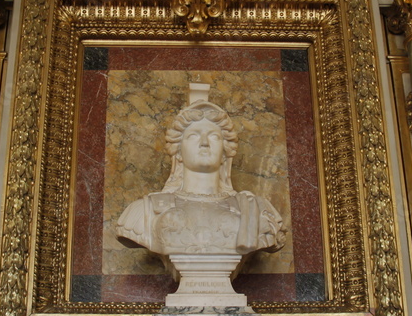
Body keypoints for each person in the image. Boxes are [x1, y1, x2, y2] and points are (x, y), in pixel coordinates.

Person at [116, 96, 285, 259]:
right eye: (193, 136)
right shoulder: (145, 211)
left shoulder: (254, 209)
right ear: (179, 152)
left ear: (226, 153)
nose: (204, 143)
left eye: (214, 136)